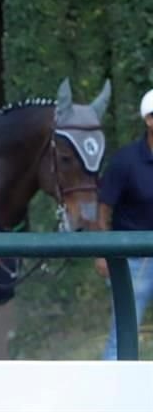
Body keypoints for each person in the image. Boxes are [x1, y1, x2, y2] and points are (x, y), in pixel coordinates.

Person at [96, 88, 153, 360]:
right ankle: (111, 395)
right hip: (134, 260)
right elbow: (104, 207)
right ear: (149, 120)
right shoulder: (126, 161)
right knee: (124, 332)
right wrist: (103, 253)